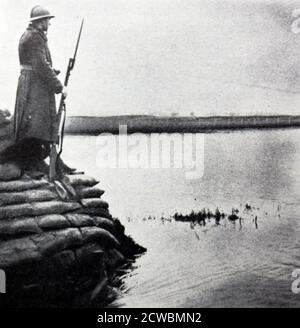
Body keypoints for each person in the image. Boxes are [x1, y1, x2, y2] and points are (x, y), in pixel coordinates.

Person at [12, 5, 75, 177]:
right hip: (34, 87)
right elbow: (40, 65)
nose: (50, 23)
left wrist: (52, 72)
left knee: (39, 124)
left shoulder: (33, 36)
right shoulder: (34, 38)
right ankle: (35, 162)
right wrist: (59, 87)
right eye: (48, 20)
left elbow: (37, 64)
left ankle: (53, 163)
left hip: (34, 84)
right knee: (36, 125)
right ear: (40, 21)